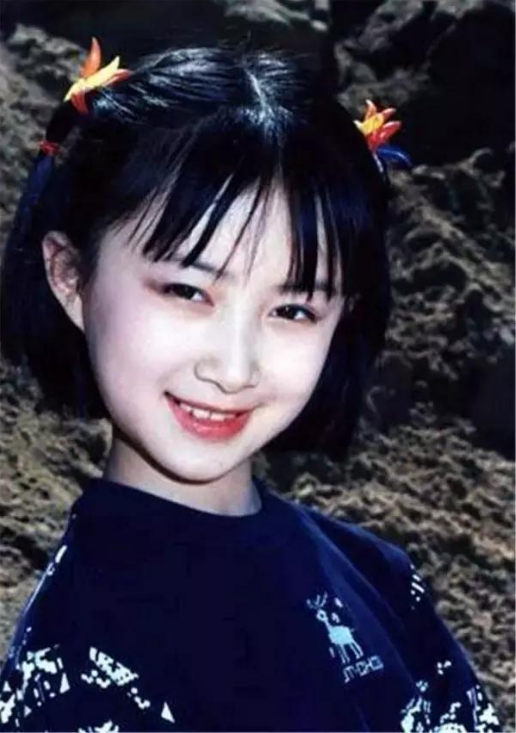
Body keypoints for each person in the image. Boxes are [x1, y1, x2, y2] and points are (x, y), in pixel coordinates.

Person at [0, 37, 503, 733]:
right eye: (187, 290)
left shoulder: (379, 574)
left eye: (292, 309)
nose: (234, 368)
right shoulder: (77, 677)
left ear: (342, 316)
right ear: (69, 276)